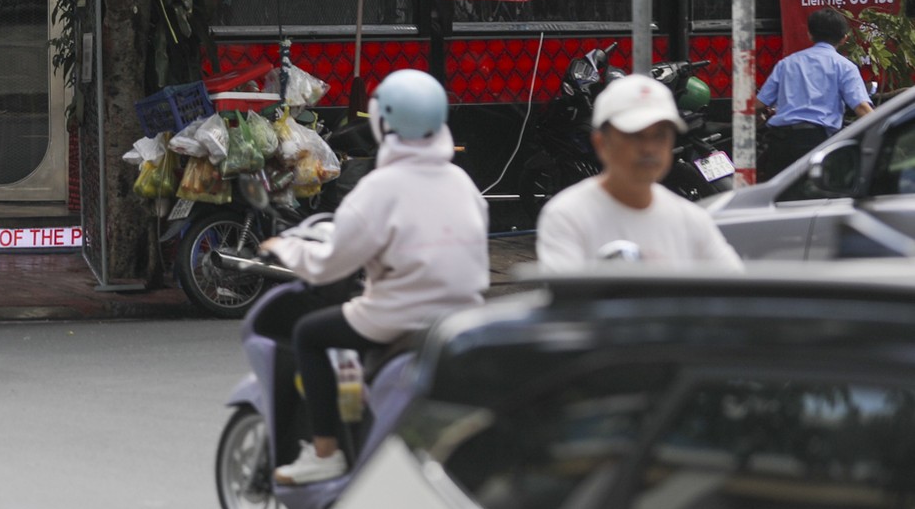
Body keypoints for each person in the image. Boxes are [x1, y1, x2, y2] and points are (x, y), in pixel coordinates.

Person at [258, 69, 490, 486]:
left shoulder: (379, 188)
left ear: (383, 123)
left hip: (399, 317)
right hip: (460, 319)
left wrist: (284, 248)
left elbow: (330, 263)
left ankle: (324, 452)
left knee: (310, 334)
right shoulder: (464, 184)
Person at [537, 74, 744, 271]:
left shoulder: (692, 220)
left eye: (660, 136)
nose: (649, 148)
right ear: (601, 143)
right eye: (635, 135)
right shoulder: (569, 215)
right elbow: (570, 300)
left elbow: (735, 287)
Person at [758, 8, 873, 180]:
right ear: (844, 38)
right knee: (819, 201)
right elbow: (862, 108)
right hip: (818, 145)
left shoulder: (787, 64)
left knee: (776, 201)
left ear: (810, 34)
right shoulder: (845, 66)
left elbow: (758, 104)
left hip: (781, 143)